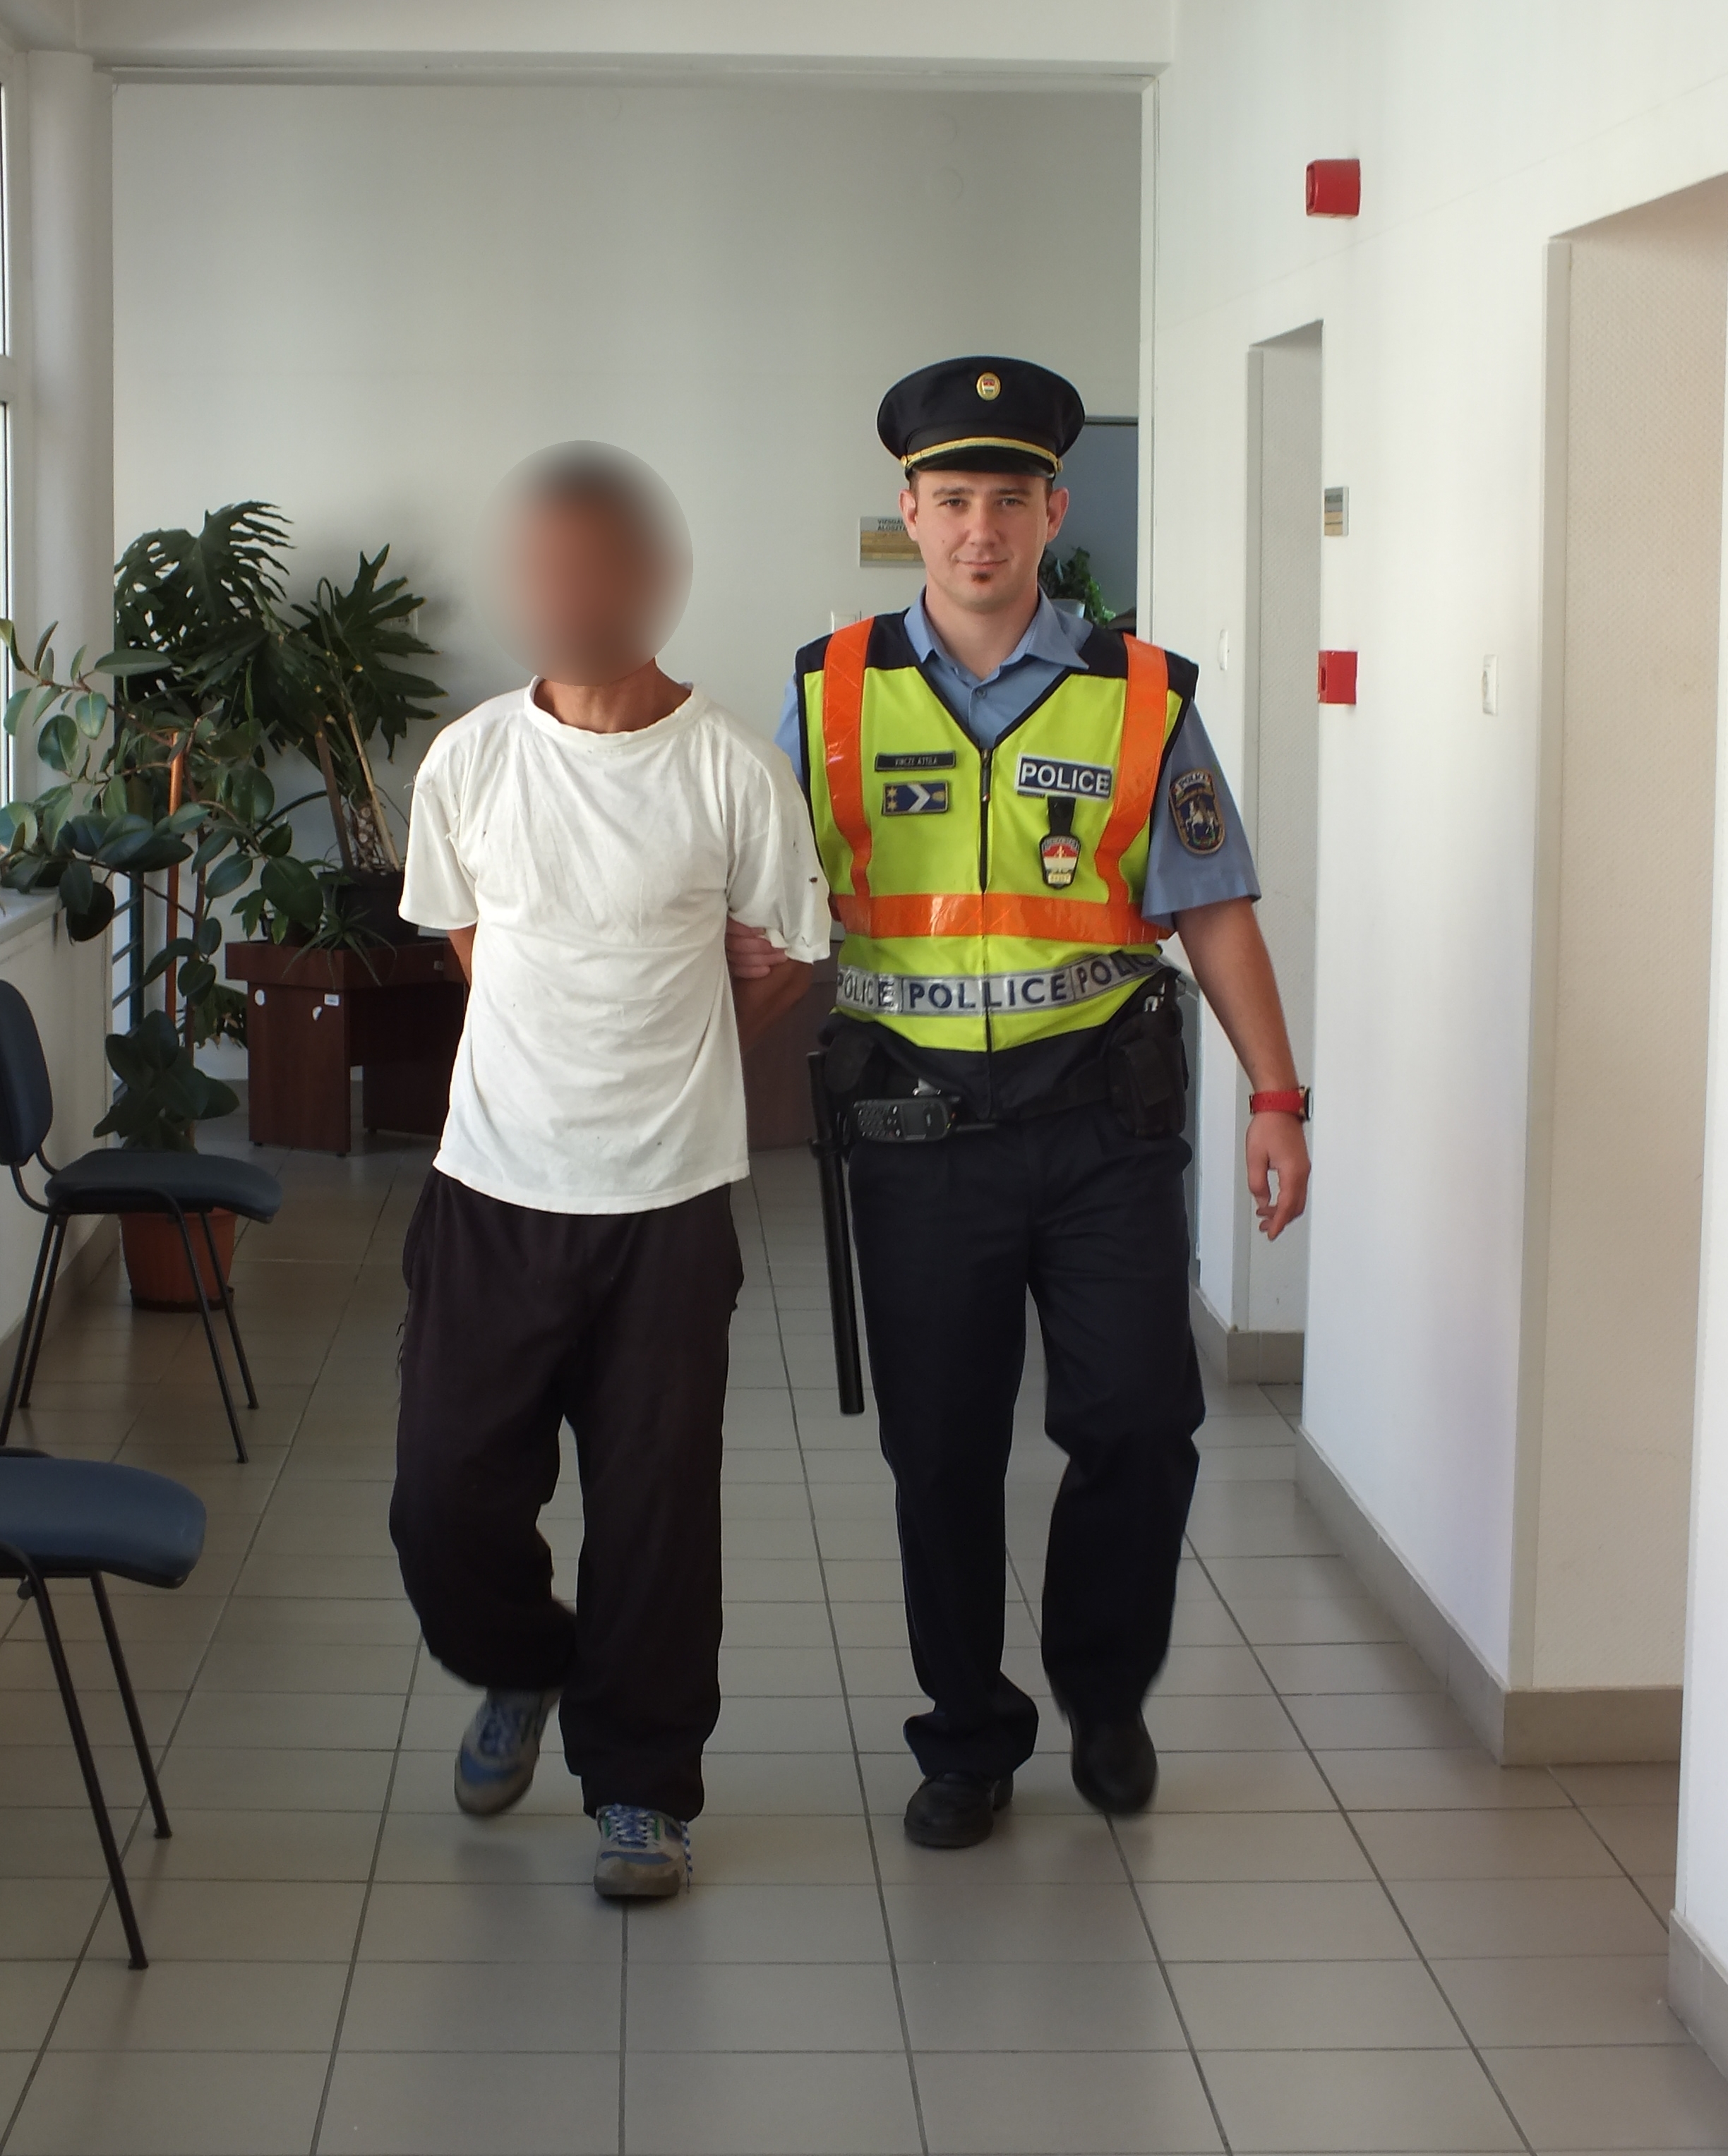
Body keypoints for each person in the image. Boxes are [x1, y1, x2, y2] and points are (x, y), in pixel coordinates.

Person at [732, 356, 1310, 1849]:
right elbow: (768, 912)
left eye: (1008, 498)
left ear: (1053, 510)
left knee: (1141, 1422)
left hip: (1102, 1121)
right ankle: (968, 1735)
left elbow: (1212, 906)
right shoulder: (830, 690)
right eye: (951, 500)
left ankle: (1104, 1694)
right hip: (916, 1132)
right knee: (941, 1448)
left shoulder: (1143, 696)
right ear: (909, 513)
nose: (979, 527)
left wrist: (1277, 1095)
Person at [390, 442, 828, 1898]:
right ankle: (524, 1663)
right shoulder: (471, 761)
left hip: (667, 1207)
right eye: (543, 569)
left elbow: (788, 954)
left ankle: (641, 1790)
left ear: (654, 579)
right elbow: (473, 941)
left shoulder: (733, 769)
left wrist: (683, 1035)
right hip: (491, 1191)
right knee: (444, 1501)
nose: (567, 594)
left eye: (596, 567)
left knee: (655, 1513)